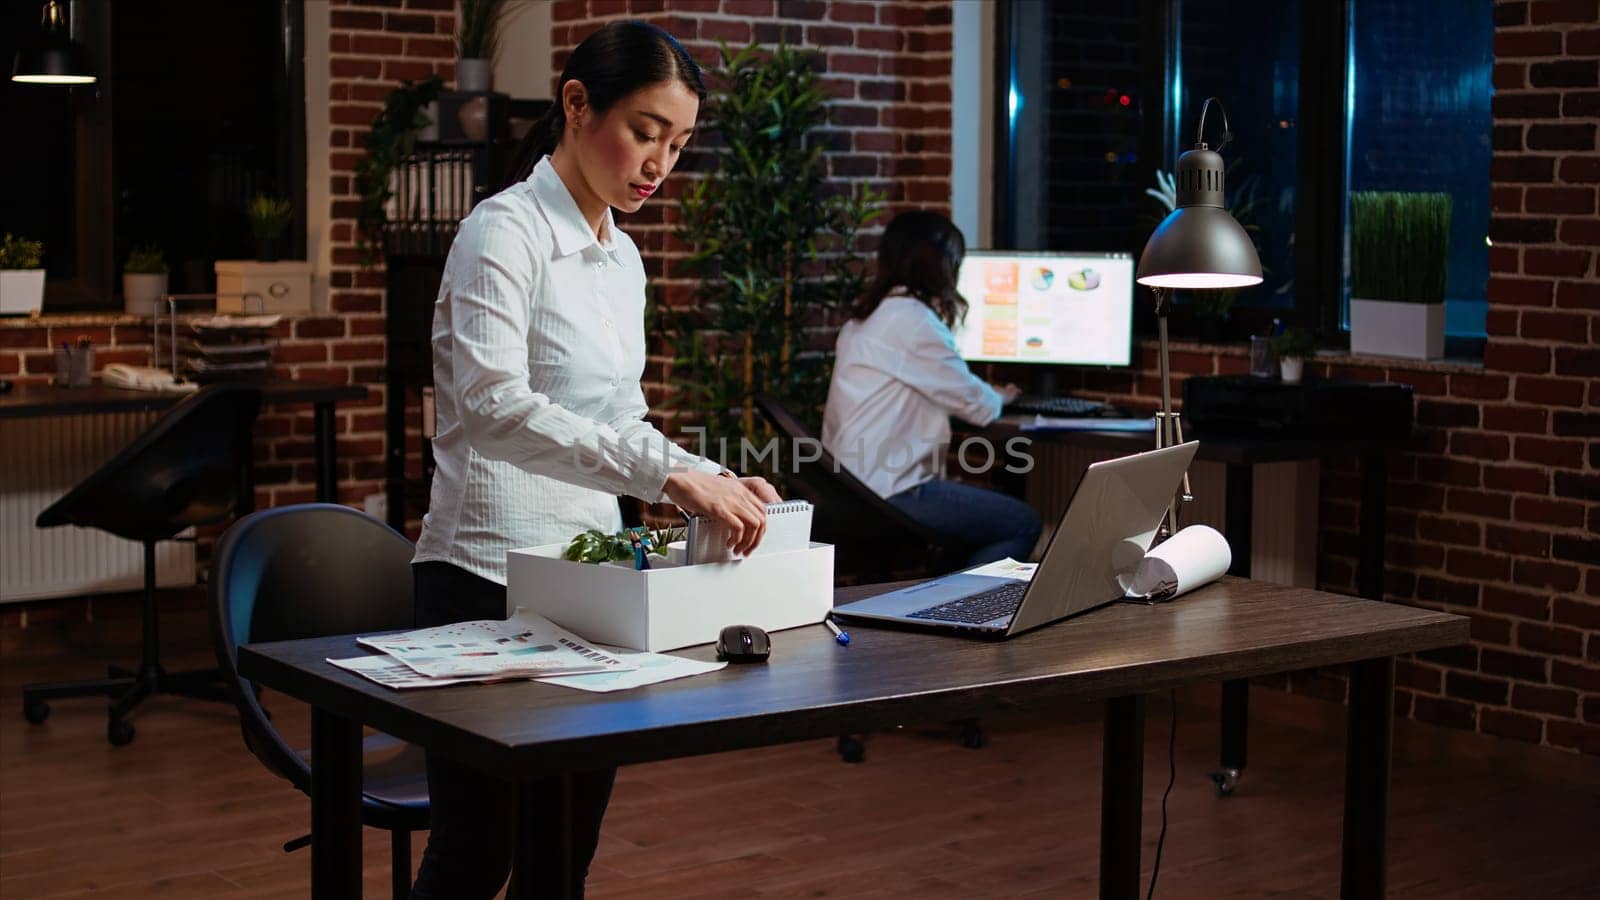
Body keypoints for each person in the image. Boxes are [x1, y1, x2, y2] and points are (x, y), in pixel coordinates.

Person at [409, 21, 778, 899]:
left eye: (678, 145)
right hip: (483, 575)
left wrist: (707, 475)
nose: (659, 163)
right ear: (577, 105)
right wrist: (663, 478)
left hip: (589, 585)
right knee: (473, 855)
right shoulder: (501, 233)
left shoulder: (623, 259)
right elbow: (491, 408)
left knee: (563, 853)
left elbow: (621, 418)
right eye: (646, 132)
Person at [822, 210, 1041, 567]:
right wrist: (1001, 395)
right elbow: (978, 407)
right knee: (1021, 523)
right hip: (891, 492)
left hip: (850, 490)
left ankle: (947, 601)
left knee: (971, 530)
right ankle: (960, 613)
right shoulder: (914, 322)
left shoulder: (867, 318)